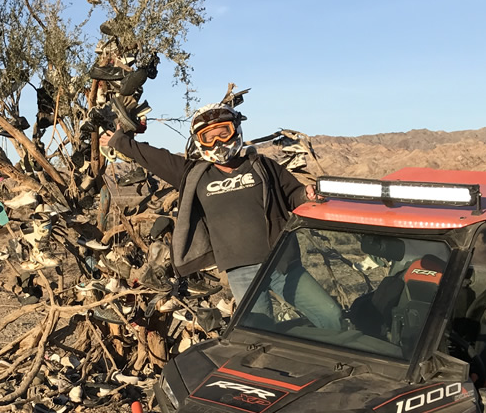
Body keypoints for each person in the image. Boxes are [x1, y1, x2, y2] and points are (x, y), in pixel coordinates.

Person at [102, 101, 343, 328]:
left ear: (235, 131)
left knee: (330, 315)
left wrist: (306, 195)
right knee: (261, 332)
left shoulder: (262, 165)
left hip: (282, 262)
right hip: (241, 271)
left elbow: (293, 195)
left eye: (223, 132)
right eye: (209, 136)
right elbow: (155, 157)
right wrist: (119, 141)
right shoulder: (194, 174)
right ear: (199, 141)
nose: (217, 141)